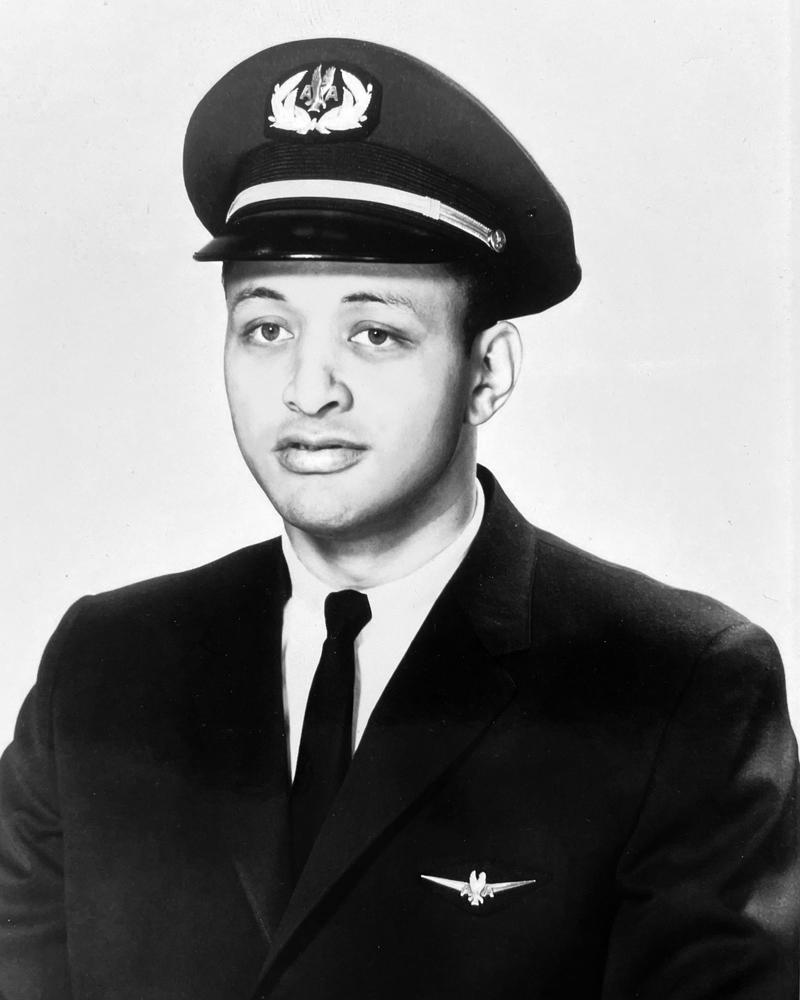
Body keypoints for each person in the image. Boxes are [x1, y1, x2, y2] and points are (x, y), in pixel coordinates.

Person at [0, 36, 797, 1000]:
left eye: (375, 333)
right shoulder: (105, 665)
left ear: (487, 372)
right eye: (266, 328)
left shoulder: (672, 689)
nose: (307, 389)